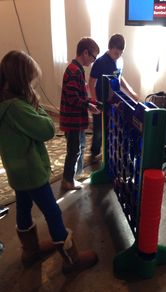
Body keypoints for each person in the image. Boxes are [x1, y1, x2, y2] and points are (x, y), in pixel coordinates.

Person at [0, 50, 98, 274]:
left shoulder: (4, 104)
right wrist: (38, 108)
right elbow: (47, 130)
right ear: (22, 81)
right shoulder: (18, 107)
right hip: (32, 172)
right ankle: (71, 259)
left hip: (16, 172)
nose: (34, 86)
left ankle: (30, 249)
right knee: (52, 212)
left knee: (23, 208)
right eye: (31, 81)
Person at [88, 33, 138, 160]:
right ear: (110, 47)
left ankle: (109, 151)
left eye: (120, 49)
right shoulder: (100, 62)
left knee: (112, 127)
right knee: (99, 128)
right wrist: (95, 102)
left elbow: (119, 78)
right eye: (115, 48)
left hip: (113, 100)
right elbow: (91, 83)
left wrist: (131, 91)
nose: (118, 51)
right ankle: (94, 152)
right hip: (100, 100)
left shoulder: (120, 61)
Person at [60, 37, 101, 191]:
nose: (93, 60)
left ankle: (69, 179)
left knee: (74, 149)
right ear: (85, 53)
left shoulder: (76, 69)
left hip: (74, 119)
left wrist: (91, 102)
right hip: (72, 120)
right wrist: (88, 105)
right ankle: (67, 181)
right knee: (73, 151)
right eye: (93, 56)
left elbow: (78, 95)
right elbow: (73, 99)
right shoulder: (74, 70)